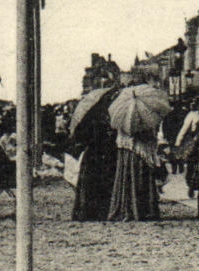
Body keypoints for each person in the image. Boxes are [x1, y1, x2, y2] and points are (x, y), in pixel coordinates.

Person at [107, 77, 166, 221]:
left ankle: (126, 208)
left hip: (125, 151)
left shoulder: (121, 114)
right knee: (140, 179)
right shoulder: (144, 112)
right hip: (140, 151)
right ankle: (142, 209)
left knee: (126, 179)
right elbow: (148, 136)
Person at [68, 81, 121, 221]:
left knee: (91, 185)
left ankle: (88, 212)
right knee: (102, 183)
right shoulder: (104, 121)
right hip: (102, 155)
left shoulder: (88, 120)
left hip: (93, 156)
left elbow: (81, 139)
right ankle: (101, 211)